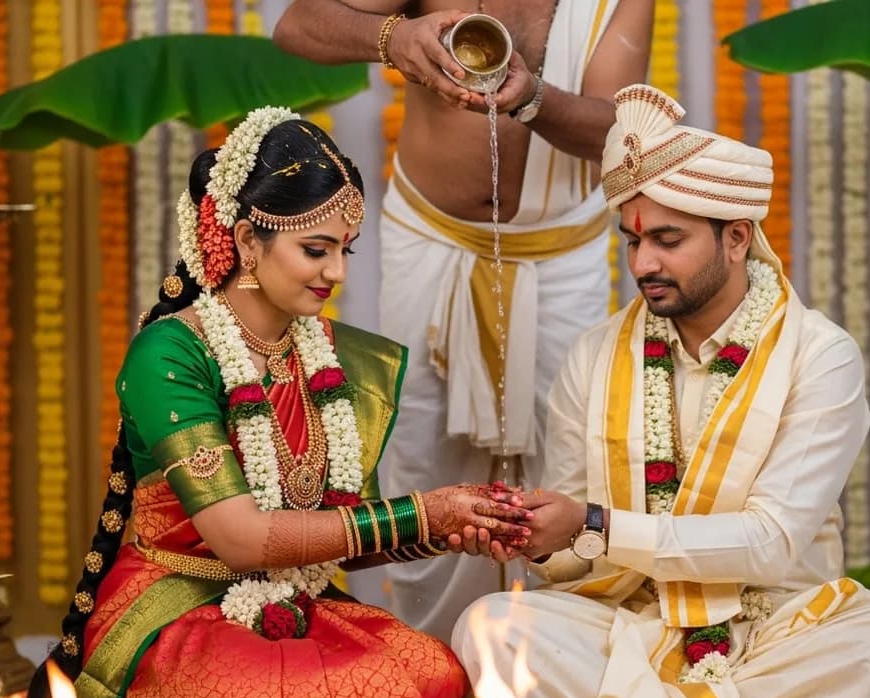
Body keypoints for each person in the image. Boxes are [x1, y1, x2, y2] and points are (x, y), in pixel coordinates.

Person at [451, 85, 870, 698]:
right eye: (633, 241)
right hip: (631, 624)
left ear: (737, 237)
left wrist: (594, 524)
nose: (642, 264)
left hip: (777, 627)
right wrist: (537, 539)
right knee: (490, 628)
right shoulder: (596, 355)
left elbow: (770, 544)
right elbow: (568, 562)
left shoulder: (819, 355)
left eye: (667, 240)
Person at [24, 109, 531, 698]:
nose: (337, 274)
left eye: (345, 250)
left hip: (298, 594)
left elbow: (338, 536)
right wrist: (417, 515)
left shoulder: (332, 356)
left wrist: (444, 528)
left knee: (431, 673)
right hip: (176, 600)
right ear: (246, 239)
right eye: (315, 250)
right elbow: (241, 540)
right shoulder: (172, 354)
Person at [273, 0, 654, 639]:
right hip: (432, 239)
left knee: (568, 463)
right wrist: (393, 38)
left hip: (561, 252)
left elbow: (618, 131)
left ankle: (551, 668)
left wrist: (531, 97)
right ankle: (433, 669)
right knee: (421, 460)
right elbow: (296, 26)